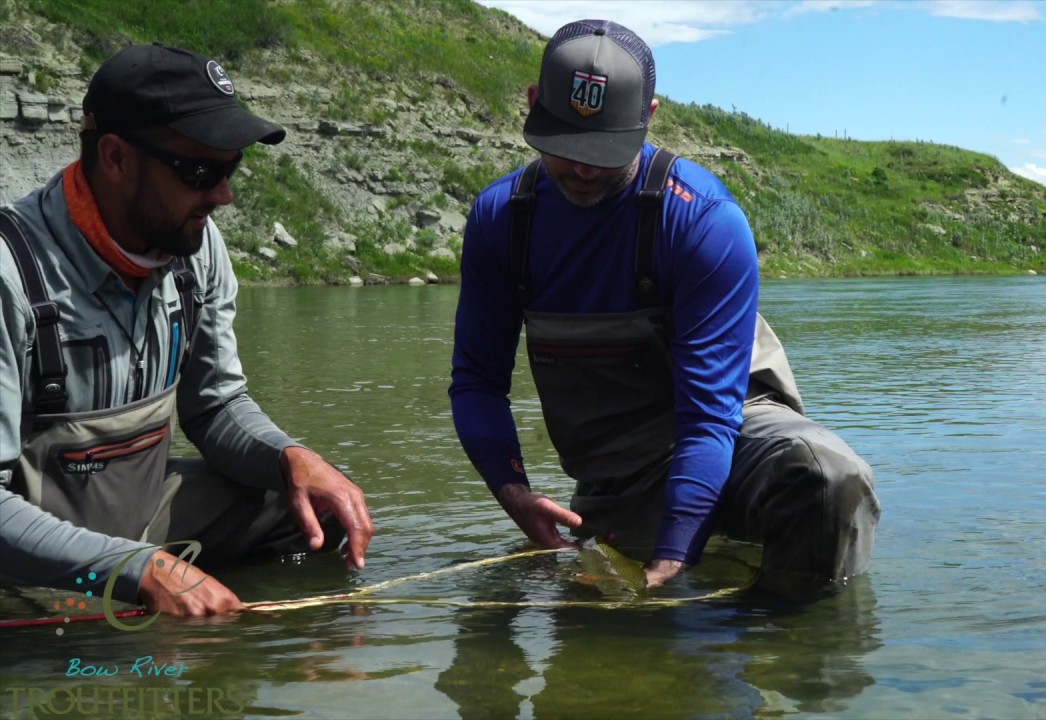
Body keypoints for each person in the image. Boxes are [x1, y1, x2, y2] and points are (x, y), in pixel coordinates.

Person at [449, 19, 880, 592]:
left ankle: (795, 644)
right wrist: (514, 494)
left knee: (830, 478)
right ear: (532, 105)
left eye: (603, 152)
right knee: (616, 641)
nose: (582, 169)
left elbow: (708, 418)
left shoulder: (703, 221)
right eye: (565, 146)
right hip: (619, 473)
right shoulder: (501, 221)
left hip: (734, 426)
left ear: (649, 117)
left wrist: (674, 557)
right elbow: (478, 382)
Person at [0, 43, 374, 617]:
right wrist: (135, 568)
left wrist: (288, 457)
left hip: (145, 515)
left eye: (230, 169)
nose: (222, 195)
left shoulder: (195, 249)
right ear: (116, 158)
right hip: (24, 552)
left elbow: (216, 406)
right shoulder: (11, 274)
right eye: (200, 171)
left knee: (316, 514)